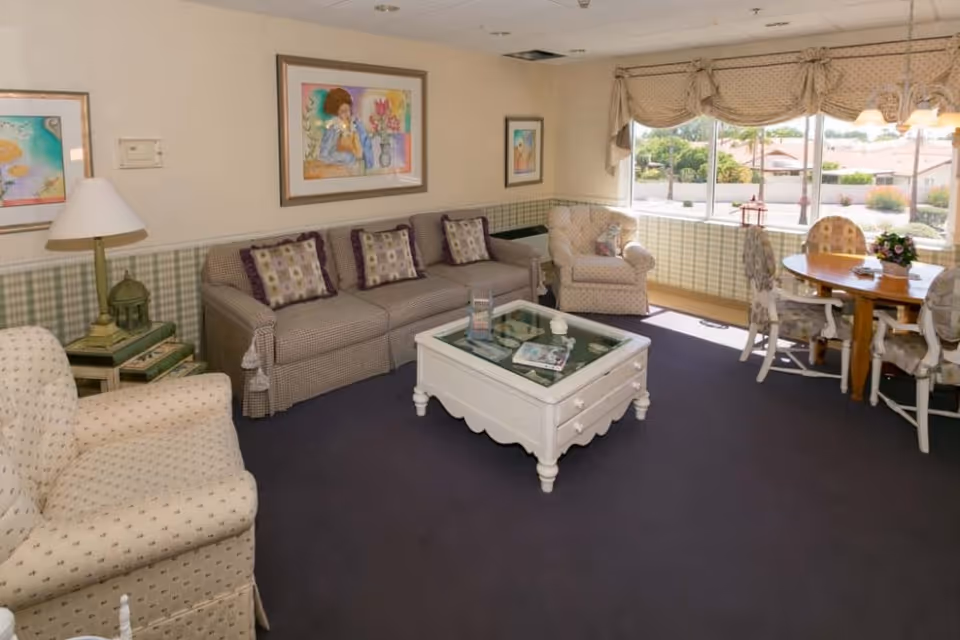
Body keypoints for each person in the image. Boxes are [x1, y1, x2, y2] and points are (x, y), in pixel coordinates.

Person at [318, 87, 373, 171]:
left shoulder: (357, 124)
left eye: (348, 110)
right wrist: (348, 157)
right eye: (343, 111)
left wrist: (368, 164)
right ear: (336, 113)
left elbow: (366, 145)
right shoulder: (333, 128)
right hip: (341, 171)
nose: (347, 114)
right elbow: (324, 155)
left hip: (360, 169)